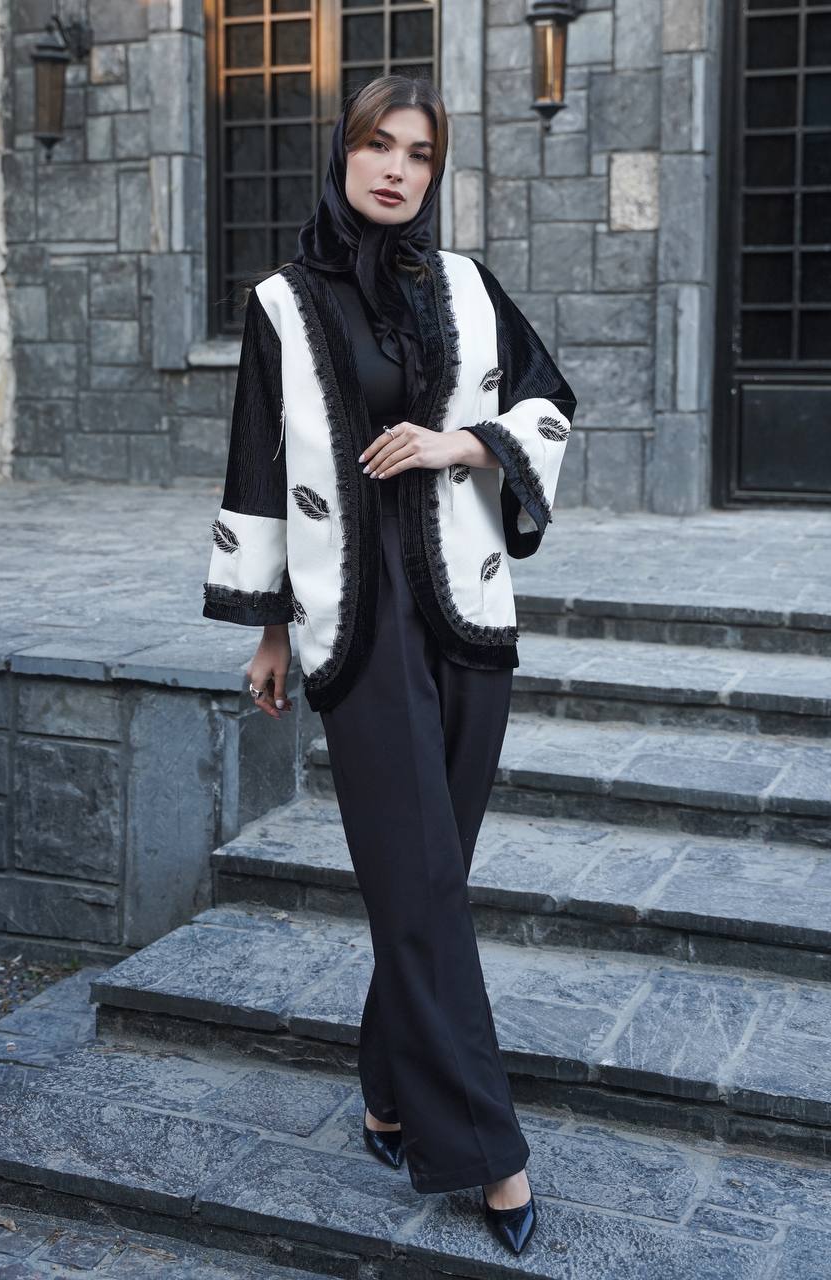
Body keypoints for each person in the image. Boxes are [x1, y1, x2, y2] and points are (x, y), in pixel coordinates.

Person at [202, 74, 577, 1257]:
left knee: (430, 879)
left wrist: (458, 441)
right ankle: (490, 1151)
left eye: (419, 153)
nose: (398, 169)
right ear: (346, 152)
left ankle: (384, 1090)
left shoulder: (468, 285)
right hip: (356, 627)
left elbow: (551, 404)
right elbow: (258, 464)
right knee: (416, 877)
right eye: (379, 144)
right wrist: (269, 625)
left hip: (470, 615)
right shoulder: (280, 301)